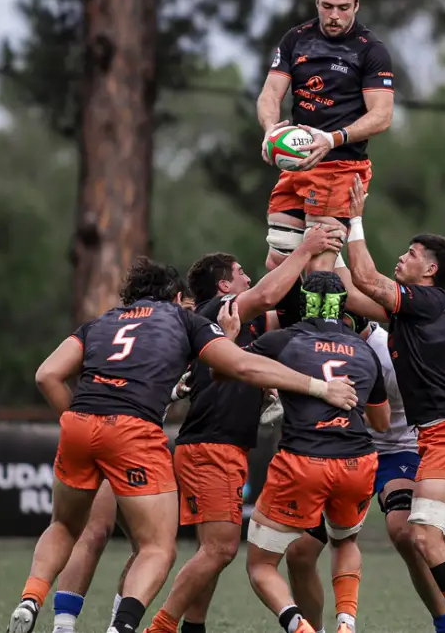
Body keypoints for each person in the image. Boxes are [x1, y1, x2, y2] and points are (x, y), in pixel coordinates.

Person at [5, 258, 358, 633]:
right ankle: (126, 627)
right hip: (136, 432)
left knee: (64, 526)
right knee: (158, 548)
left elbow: (47, 375)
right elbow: (242, 366)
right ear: (176, 297)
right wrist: (320, 386)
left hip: (81, 422)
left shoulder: (101, 322)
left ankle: (32, 597)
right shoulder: (185, 319)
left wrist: (76, 420)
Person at [144, 229, 343, 633]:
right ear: (222, 286)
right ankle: (160, 627)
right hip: (211, 445)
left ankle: (192, 627)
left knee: (211, 550)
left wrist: (288, 254)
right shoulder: (217, 309)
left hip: (219, 443)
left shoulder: (239, 322)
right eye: (240, 274)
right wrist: (306, 247)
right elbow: (268, 295)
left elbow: (284, 303)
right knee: (220, 548)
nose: (248, 279)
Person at [343, 179, 445, 633]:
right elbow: (353, 292)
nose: (403, 257)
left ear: (430, 269)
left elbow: (367, 279)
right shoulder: (414, 308)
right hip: (434, 437)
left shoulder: (427, 301)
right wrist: (326, 239)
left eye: (412, 254)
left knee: (425, 536)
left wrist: (354, 219)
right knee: (419, 536)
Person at [284, 306, 445, 633]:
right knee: (300, 551)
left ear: (350, 322)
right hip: (340, 447)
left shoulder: (385, 356)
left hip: (394, 448)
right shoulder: (315, 343)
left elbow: (382, 419)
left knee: (403, 530)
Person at [235, 271, 391, 633]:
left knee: (260, 564)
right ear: (344, 309)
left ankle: (301, 628)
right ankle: (346, 623)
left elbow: (233, 367)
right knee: (345, 540)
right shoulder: (365, 349)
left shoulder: (283, 340)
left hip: (303, 460)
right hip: (358, 461)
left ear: (303, 303)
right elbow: (381, 422)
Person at [256, 0, 394, 274]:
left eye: (343, 8)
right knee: (279, 261)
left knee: (318, 267)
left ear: (357, 5)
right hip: (297, 161)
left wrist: (331, 139)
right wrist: (269, 131)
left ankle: (337, 322)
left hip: (341, 166)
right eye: (327, 6)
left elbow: (382, 115)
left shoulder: (371, 50)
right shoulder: (296, 39)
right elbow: (270, 93)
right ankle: (357, 317)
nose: (334, 16)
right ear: (317, 1)